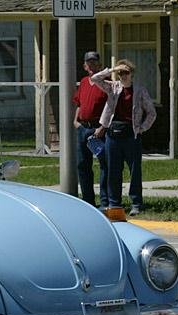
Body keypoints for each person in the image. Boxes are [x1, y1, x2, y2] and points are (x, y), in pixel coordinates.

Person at [91, 59, 156, 216]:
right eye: (120, 73)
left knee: (134, 170)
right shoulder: (113, 87)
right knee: (113, 170)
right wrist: (112, 69)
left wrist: (141, 128)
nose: (123, 76)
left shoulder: (139, 91)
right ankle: (114, 203)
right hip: (113, 135)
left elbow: (151, 113)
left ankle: (136, 203)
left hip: (131, 135)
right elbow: (94, 79)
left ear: (132, 74)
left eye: (126, 72)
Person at [72, 51, 109, 208]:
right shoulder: (84, 82)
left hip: (99, 129)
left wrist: (103, 127)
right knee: (82, 164)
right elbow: (79, 104)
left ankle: (105, 201)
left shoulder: (107, 83)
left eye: (95, 63)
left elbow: (111, 107)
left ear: (99, 65)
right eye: (89, 63)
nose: (92, 66)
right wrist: (75, 121)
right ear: (85, 66)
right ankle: (88, 202)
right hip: (83, 128)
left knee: (104, 164)